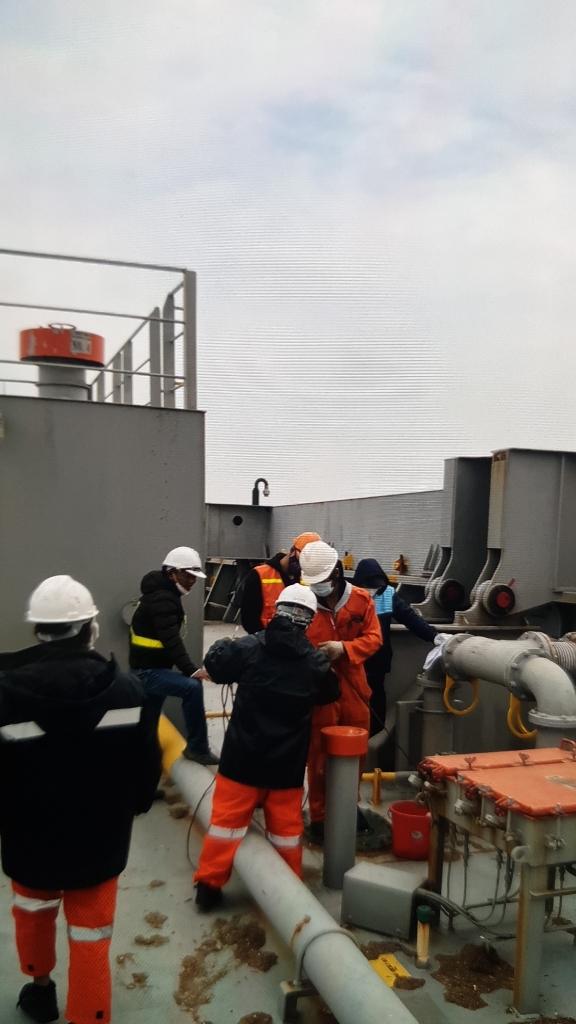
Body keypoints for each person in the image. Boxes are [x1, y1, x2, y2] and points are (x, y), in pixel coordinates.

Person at [0, 575, 161, 1024]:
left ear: (37, 631)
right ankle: (89, 1013)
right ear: (91, 628)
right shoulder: (128, 692)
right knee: (91, 933)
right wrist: (136, 804)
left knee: (33, 912)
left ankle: (40, 990)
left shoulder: (6, 696)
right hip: (99, 840)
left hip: (29, 837)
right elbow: (147, 763)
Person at [193, 584, 340, 911]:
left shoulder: (249, 647)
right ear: (309, 619)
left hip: (241, 761)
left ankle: (208, 888)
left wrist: (224, 643)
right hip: (286, 768)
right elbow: (331, 693)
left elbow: (215, 664)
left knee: (225, 826)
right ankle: (288, 896)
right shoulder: (313, 663)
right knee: (286, 834)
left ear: (276, 611)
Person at [300, 541, 382, 844]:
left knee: (356, 750)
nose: (318, 586)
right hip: (320, 690)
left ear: (336, 572)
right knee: (319, 755)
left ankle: (348, 804)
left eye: (322, 580)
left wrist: (344, 648)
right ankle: (320, 815)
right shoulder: (303, 603)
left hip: (354, 688)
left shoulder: (361, 600)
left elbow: (374, 638)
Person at [129, 546, 219, 765]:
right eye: (187, 575)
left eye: (194, 577)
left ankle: (144, 769)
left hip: (149, 668)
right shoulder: (164, 599)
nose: (191, 581)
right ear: (171, 573)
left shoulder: (161, 594)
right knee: (192, 688)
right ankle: (198, 749)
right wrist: (192, 670)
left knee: (148, 724)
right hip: (148, 672)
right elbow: (170, 639)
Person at [352, 558, 438, 735]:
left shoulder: (387, 595)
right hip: (354, 664)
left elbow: (410, 619)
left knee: (376, 712)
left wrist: (435, 637)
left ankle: (372, 740)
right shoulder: (350, 596)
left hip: (377, 666)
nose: (373, 590)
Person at [239, 532, 321, 634]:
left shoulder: (309, 579)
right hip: (266, 639)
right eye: (302, 560)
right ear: (292, 550)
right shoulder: (259, 575)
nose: (303, 566)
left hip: (300, 640)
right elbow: (249, 620)